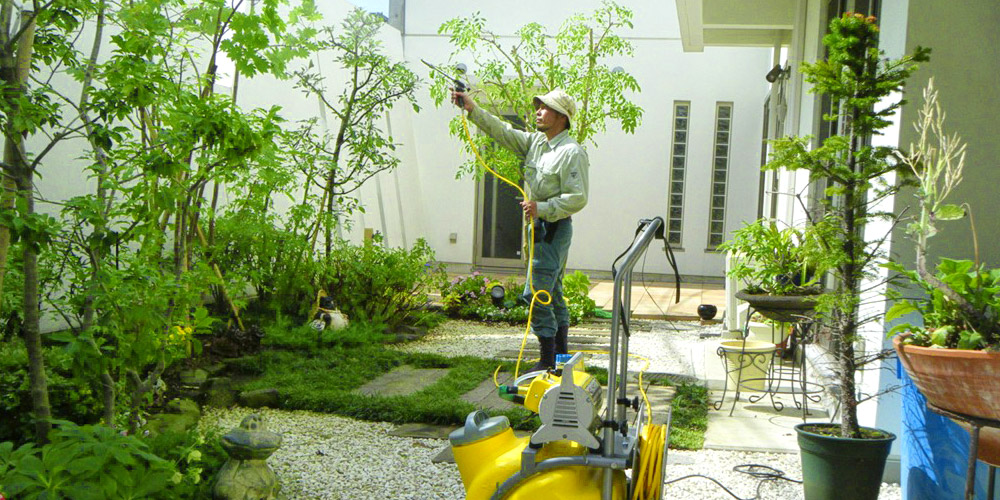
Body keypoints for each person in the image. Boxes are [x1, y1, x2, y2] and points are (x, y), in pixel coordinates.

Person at [451, 88, 589, 371]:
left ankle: (547, 361)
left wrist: (543, 208)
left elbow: (578, 198)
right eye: (538, 107)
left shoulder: (570, 152)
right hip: (538, 229)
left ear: (561, 117)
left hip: (554, 229)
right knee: (554, 293)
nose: (538, 111)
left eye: (544, 108)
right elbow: (501, 131)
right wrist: (472, 108)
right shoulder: (536, 143)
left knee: (538, 294)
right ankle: (562, 361)